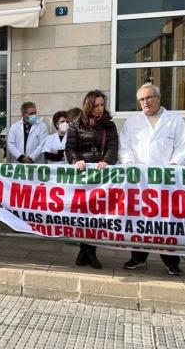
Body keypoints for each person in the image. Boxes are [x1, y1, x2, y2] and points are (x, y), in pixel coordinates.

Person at [119, 83, 185, 276]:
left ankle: (171, 261)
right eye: (142, 99)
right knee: (140, 219)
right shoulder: (132, 122)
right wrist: (128, 163)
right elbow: (125, 146)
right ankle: (138, 257)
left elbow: (183, 146)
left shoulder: (174, 120)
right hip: (139, 180)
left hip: (165, 180)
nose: (146, 102)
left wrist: (174, 166)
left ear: (158, 98)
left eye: (149, 97)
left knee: (165, 220)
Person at [65, 90, 119, 270]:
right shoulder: (75, 126)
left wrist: (106, 161)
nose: (100, 109)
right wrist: (75, 160)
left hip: (101, 176)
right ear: (88, 106)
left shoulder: (109, 126)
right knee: (83, 214)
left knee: (97, 214)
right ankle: (85, 250)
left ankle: (90, 251)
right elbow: (70, 149)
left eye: (102, 105)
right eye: (96, 105)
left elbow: (112, 148)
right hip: (82, 175)